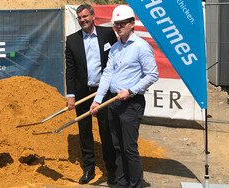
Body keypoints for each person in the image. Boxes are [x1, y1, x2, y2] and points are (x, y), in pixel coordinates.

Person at [90, 5, 159, 188]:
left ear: (132, 23)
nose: (118, 27)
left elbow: (152, 75)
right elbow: (107, 74)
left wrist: (131, 91)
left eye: (122, 23)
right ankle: (122, 182)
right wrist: (97, 100)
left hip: (131, 104)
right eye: (116, 24)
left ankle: (136, 183)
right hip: (113, 102)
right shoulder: (115, 48)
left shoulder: (141, 47)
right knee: (118, 146)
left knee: (129, 148)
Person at [65, 3, 118, 185]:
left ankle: (111, 170)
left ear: (93, 16)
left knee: (106, 132)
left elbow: (116, 60)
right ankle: (89, 168)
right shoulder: (72, 40)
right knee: (85, 132)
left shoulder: (107, 34)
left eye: (85, 17)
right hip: (82, 93)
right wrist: (70, 95)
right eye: (79, 18)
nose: (82, 20)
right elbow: (70, 70)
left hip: (103, 94)